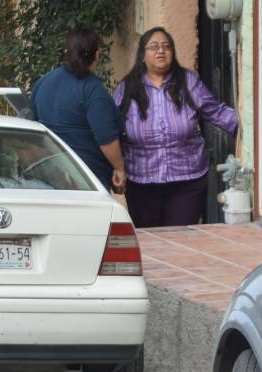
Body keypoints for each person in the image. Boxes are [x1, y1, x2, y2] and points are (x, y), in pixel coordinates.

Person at [114, 27, 239, 228]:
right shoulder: (128, 87)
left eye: (166, 46)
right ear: (142, 55)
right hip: (142, 182)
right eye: (153, 47)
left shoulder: (189, 81)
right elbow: (113, 129)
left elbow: (216, 112)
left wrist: (250, 128)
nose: (160, 51)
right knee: (150, 242)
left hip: (187, 181)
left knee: (181, 237)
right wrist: (116, 167)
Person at [30, 28, 126, 193]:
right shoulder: (93, 90)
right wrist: (119, 168)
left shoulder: (44, 82)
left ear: (67, 52)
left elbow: (33, 125)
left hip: (48, 176)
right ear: (96, 55)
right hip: (86, 179)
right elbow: (106, 139)